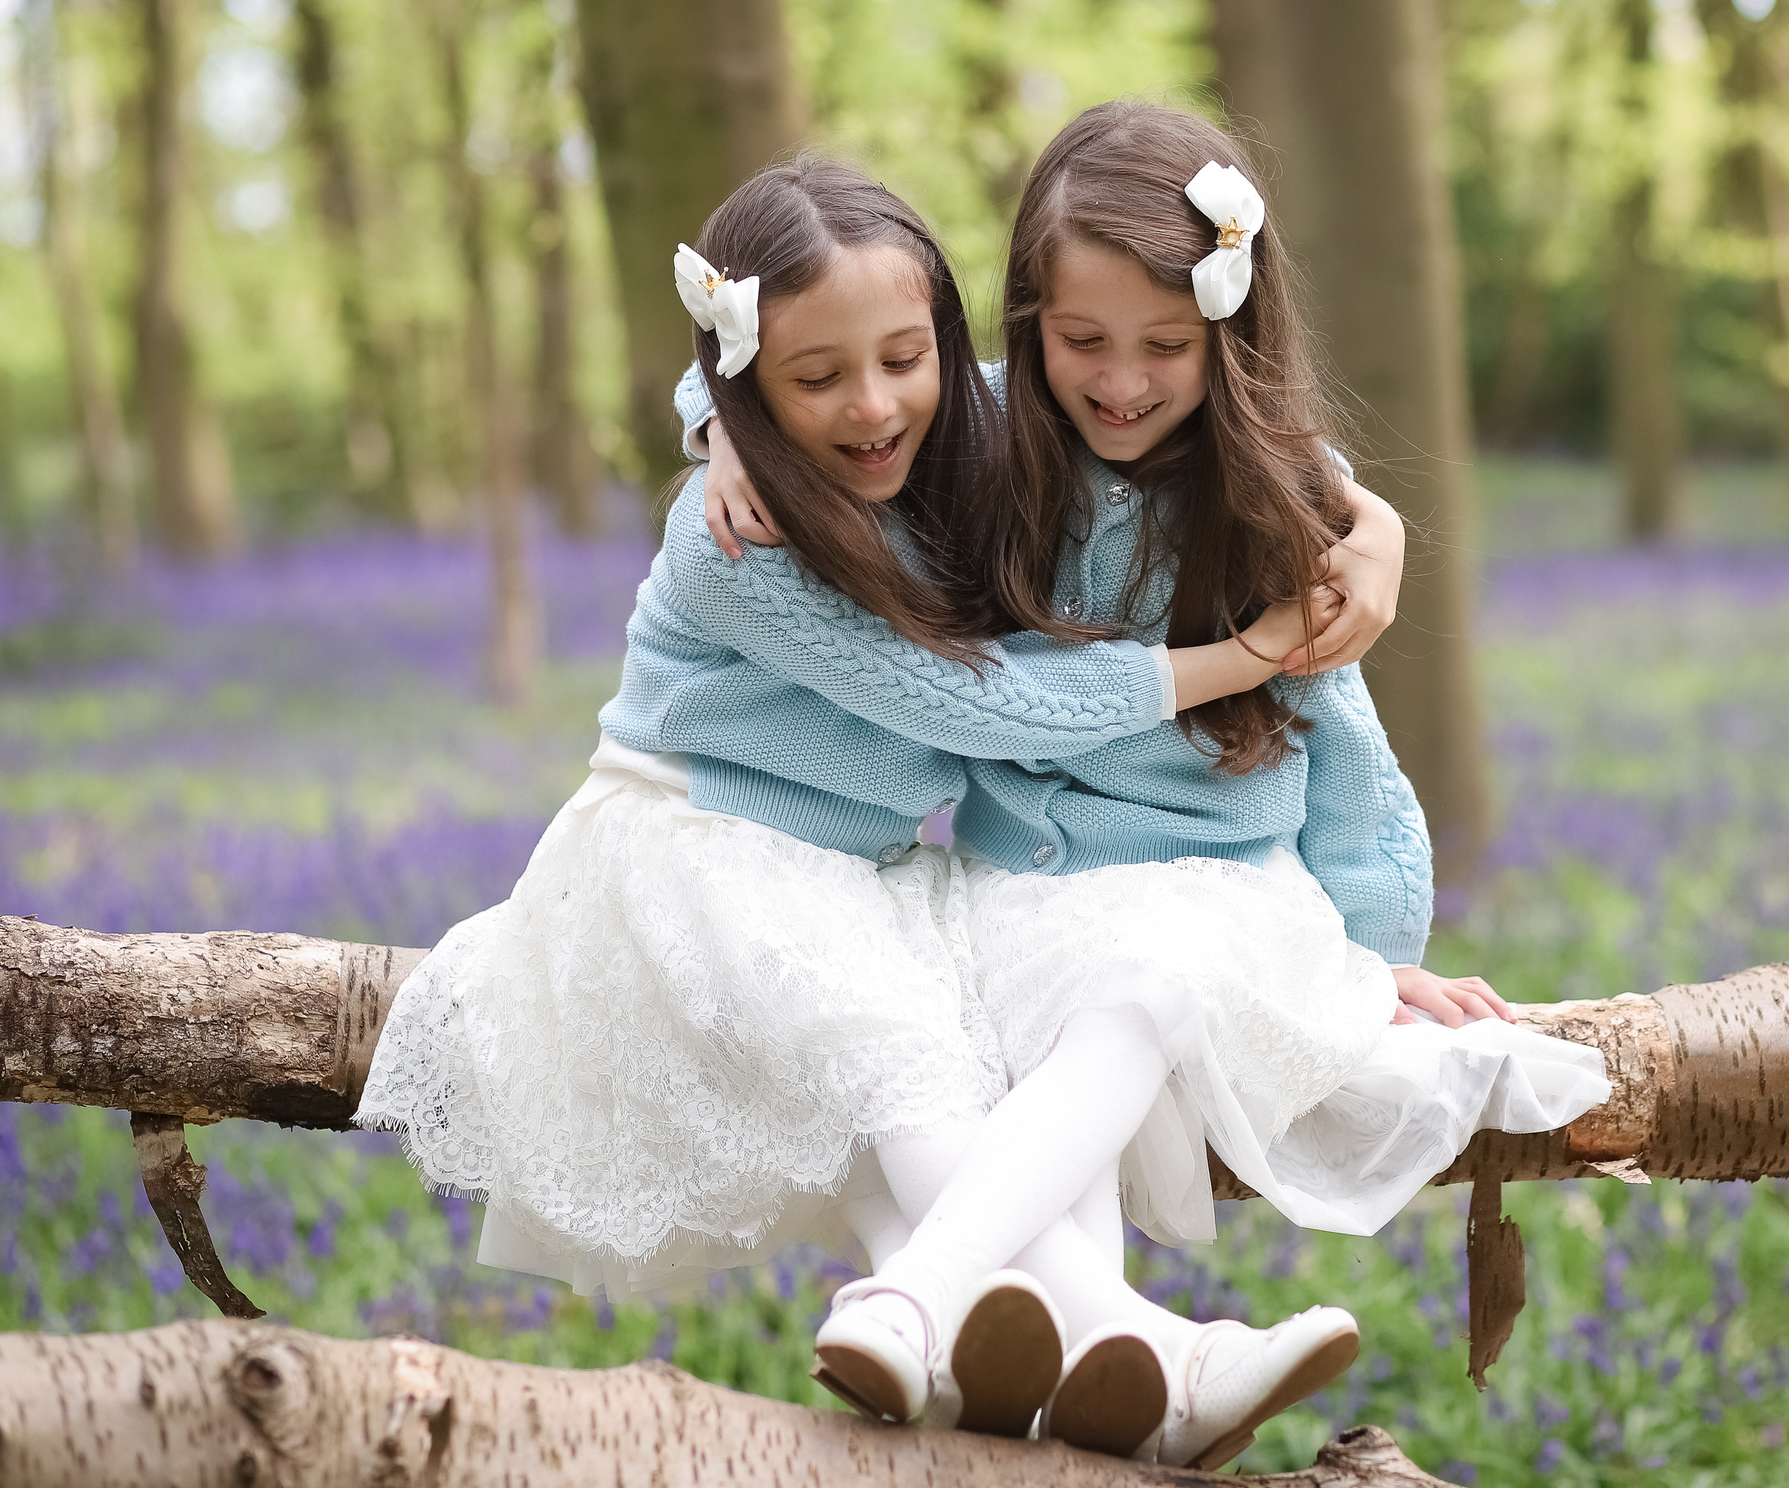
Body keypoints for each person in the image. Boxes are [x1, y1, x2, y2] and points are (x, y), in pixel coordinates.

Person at [356, 155, 1345, 1440]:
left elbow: (1178, 409)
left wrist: (1359, 519)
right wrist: (1244, 657)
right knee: (905, 1084)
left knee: (923, 1115)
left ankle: (964, 1358)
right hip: (696, 851)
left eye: (903, 360)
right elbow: (975, 709)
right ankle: (1146, 1346)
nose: (872, 407)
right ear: (750, 382)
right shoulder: (732, 546)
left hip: (853, 872)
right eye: (815, 382)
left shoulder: (964, 443)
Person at [688, 104, 1611, 1469]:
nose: (1122, 381)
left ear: (1226, 338)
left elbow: (1343, 741)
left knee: (1145, 993)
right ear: (1026, 325)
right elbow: (815, 362)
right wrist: (719, 422)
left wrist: (1374, 957)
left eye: (1165, 347)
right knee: (1030, 1080)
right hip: (1023, 890)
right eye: (1082, 342)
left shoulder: (1269, 501)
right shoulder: (990, 443)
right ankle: (1112, 1374)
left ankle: (916, 1293)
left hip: (1224, 894)